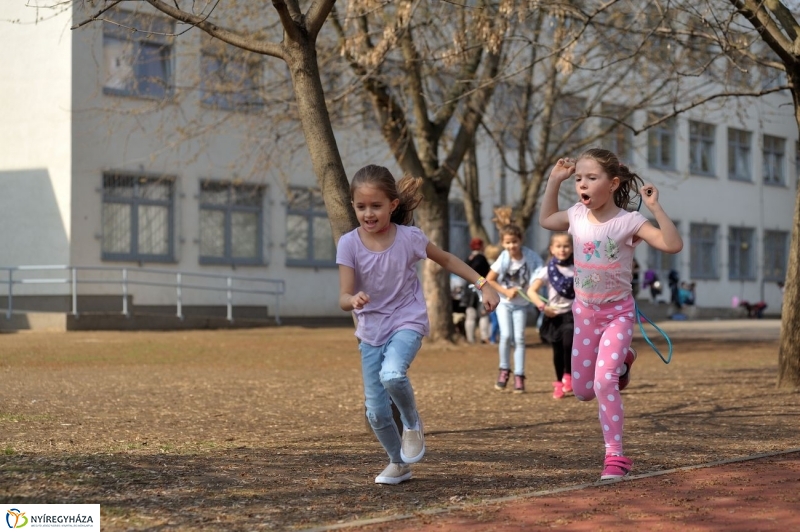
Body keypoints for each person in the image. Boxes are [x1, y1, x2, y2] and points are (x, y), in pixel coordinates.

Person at [337, 164, 500, 485]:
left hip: (406, 320)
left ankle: (412, 424)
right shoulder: (349, 243)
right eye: (361, 207)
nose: (368, 214)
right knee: (376, 412)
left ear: (393, 205)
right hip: (370, 331)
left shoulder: (410, 238)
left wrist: (483, 284)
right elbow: (343, 295)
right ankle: (398, 463)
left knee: (393, 374)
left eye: (376, 206)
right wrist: (352, 300)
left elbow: (448, 259)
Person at [539, 148, 682, 481]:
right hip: (584, 314)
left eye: (591, 178)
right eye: (578, 179)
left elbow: (672, 245)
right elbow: (547, 220)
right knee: (584, 391)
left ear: (613, 183)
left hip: (617, 314)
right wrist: (553, 181)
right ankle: (625, 360)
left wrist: (655, 208)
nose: (582, 185)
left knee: (605, 383)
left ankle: (615, 457)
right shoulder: (575, 215)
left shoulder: (629, 222)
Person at [485, 224, 544, 393]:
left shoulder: (531, 257)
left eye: (515, 242)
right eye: (508, 243)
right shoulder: (503, 258)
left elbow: (540, 274)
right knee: (506, 335)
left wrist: (531, 290)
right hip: (504, 303)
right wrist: (506, 291)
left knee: (519, 338)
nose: (512, 246)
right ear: (503, 244)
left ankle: (519, 374)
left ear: (520, 241)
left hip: (522, 305)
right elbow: (490, 279)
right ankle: (504, 370)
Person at [526, 232, 575, 399]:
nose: (563, 249)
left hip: (572, 314)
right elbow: (531, 291)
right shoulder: (547, 270)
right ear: (552, 249)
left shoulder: (578, 268)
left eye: (566, 246)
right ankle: (559, 383)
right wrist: (542, 307)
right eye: (559, 246)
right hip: (553, 315)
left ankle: (569, 375)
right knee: (557, 350)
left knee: (569, 343)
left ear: (572, 248)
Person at [462, 238, 492, 344]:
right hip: (480, 288)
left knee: (470, 314)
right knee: (483, 314)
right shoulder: (481, 259)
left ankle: (470, 338)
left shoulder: (468, 258)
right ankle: (484, 337)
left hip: (468, 289)